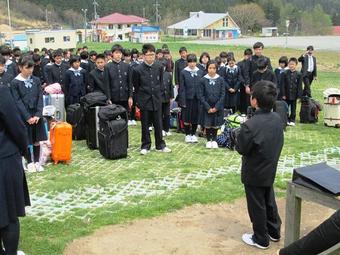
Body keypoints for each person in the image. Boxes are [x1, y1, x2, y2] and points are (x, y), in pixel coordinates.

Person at [235, 80, 283, 250]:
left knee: (257, 205)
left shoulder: (250, 125)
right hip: (270, 167)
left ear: (254, 100)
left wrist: (238, 134)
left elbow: (241, 148)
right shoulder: (278, 118)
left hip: (254, 171)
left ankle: (261, 238)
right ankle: (274, 231)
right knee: (269, 199)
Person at [0, 81, 30, 255]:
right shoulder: (1, 91)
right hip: (4, 157)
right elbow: (16, 125)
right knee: (9, 212)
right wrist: (24, 149)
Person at [132, 43, 171, 155]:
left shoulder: (159, 67)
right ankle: (145, 145)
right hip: (144, 100)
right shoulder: (137, 69)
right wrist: (139, 101)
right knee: (145, 124)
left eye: (152, 54)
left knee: (158, 123)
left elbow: (160, 82)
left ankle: (160, 145)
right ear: (143, 56)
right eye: (148, 55)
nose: (150, 57)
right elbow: (137, 86)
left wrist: (161, 95)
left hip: (157, 99)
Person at [10, 55, 47, 172]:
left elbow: (40, 97)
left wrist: (38, 114)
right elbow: (17, 101)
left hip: (36, 114)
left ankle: (37, 161)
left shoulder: (36, 80)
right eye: (27, 68)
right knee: (26, 139)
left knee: (37, 139)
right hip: (24, 115)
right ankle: (29, 161)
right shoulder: (15, 82)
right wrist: (27, 117)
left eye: (31, 67)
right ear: (20, 67)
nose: (30, 70)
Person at [178, 54, 204, 143]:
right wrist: (182, 100)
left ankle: (193, 134)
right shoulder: (183, 72)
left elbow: (202, 86)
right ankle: (187, 134)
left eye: (193, 62)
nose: (192, 64)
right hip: (187, 98)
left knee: (195, 117)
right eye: (190, 62)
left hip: (197, 98)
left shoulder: (200, 72)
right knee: (186, 117)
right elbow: (181, 87)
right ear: (187, 62)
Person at [199, 60, 225, 149]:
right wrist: (207, 107)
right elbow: (200, 95)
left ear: (216, 69)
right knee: (208, 124)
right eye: (210, 68)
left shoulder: (220, 79)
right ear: (207, 69)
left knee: (215, 124)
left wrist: (216, 107)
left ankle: (214, 139)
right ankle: (208, 140)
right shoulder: (203, 80)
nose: (212, 70)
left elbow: (223, 94)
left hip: (217, 106)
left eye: (214, 68)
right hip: (207, 106)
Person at [104, 44, 133, 112]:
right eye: (116, 53)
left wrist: (130, 96)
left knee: (125, 117)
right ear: (112, 54)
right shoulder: (108, 67)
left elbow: (130, 82)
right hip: (113, 97)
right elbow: (107, 84)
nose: (118, 55)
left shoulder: (127, 66)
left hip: (125, 96)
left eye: (120, 53)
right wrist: (108, 98)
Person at [282, 57, 303, 126]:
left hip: (294, 94)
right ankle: (287, 119)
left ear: (296, 65)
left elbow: (300, 86)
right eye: (290, 64)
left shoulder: (299, 74)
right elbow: (283, 85)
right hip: (286, 94)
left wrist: (299, 96)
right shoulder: (285, 73)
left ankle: (292, 120)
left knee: (293, 108)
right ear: (288, 65)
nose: (291, 66)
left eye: (293, 64)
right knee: (286, 107)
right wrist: (283, 94)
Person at [160, 60, 174, 137]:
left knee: (167, 114)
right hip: (159, 98)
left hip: (167, 98)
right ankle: (161, 129)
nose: (163, 68)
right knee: (160, 114)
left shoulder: (168, 75)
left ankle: (167, 129)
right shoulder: (157, 74)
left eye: (164, 66)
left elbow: (171, 86)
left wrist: (172, 96)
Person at [237, 48, 253, 114]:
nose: (248, 57)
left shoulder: (252, 63)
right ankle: (242, 111)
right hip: (242, 85)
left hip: (251, 84)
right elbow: (239, 74)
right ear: (244, 55)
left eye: (250, 56)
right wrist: (244, 83)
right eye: (247, 55)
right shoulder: (240, 64)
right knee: (243, 99)